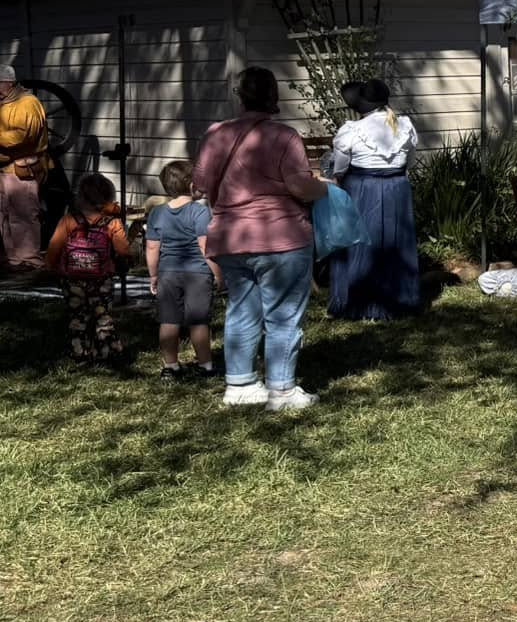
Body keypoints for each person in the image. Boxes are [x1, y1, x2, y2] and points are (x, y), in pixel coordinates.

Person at [193, 66, 326, 412]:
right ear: (273, 96)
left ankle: (240, 384)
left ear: (240, 96)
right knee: (282, 316)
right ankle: (281, 390)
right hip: (281, 236)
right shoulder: (283, 136)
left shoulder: (215, 134)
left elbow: (202, 183)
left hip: (230, 236)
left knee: (241, 309)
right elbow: (299, 186)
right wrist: (326, 189)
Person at [325, 79, 422, 321]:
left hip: (362, 188)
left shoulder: (352, 130)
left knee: (360, 242)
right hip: (397, 188)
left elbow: (340, 168)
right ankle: (399, 299)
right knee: (395, 240)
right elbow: (409, 162)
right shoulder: (405, 126)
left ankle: (358, 301)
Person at [145, 159, 218, 378]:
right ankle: (205, 365)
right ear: (192, 186)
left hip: (168, 272)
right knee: (198, 320)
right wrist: (217, 272)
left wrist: (153, 275)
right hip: (197, 273)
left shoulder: (157, 213)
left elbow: (151, 247)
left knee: (168, 320)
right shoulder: (199, 212)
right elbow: (204, 245)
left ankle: (170, 366)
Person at [47, 171, 128, 366]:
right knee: (103, 315)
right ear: (108, 198)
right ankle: (107, 353)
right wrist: (124, 262)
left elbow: (54, 247)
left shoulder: (68, 220)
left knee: (78, 316)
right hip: (102, 279)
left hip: (72, 279)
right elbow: (122, 249)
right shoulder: (112, 222)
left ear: (80, 197)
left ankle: (80, 353)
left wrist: (51, 268)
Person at [0, 65, 49, 272]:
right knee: (3, 214)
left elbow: (22, 136)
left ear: (8, 83)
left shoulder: (28, 103)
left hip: (22, 168)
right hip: (3, 167)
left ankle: (29, 260)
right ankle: (11, 259)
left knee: (24, 215)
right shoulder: (3, 102)